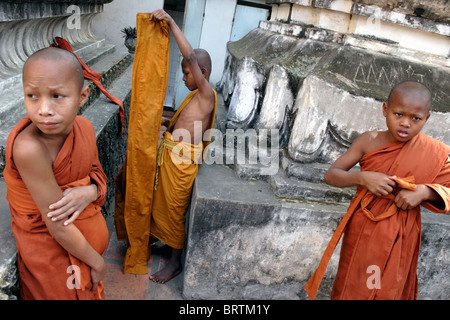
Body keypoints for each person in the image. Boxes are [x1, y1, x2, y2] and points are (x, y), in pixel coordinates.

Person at [304, 81, 450, 300]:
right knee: (358, 280)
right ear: (385, 110)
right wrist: (362, 178)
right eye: (398, 114)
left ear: (426, 119)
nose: (405, 123)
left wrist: (424, 192)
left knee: (389, 287)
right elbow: (332, 175)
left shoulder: (435, 153)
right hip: (365, 226)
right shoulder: (368, 141)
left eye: (415, 118)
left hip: (403, 231)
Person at [3, 47, 109, 300]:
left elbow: (96, 173)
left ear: (83, 96)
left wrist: (90, 191)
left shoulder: (83, 128)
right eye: (32, 95)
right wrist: (98, 263)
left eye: (57, 96)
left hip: (84, 247)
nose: (44, 109)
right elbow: (58, 225)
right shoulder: (29, 148)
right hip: (50, 250)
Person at [148, 9, 218, 284]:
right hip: (172, 157)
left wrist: (172, 24)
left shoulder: (206, 94)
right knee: (163, 206)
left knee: (175, 210)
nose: (185, 78)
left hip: (182, 164)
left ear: (202, 73)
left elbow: (189, 56)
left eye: (187, 73)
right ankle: (166, 243)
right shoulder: (193, 97)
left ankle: (175, 263)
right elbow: (185, 124)